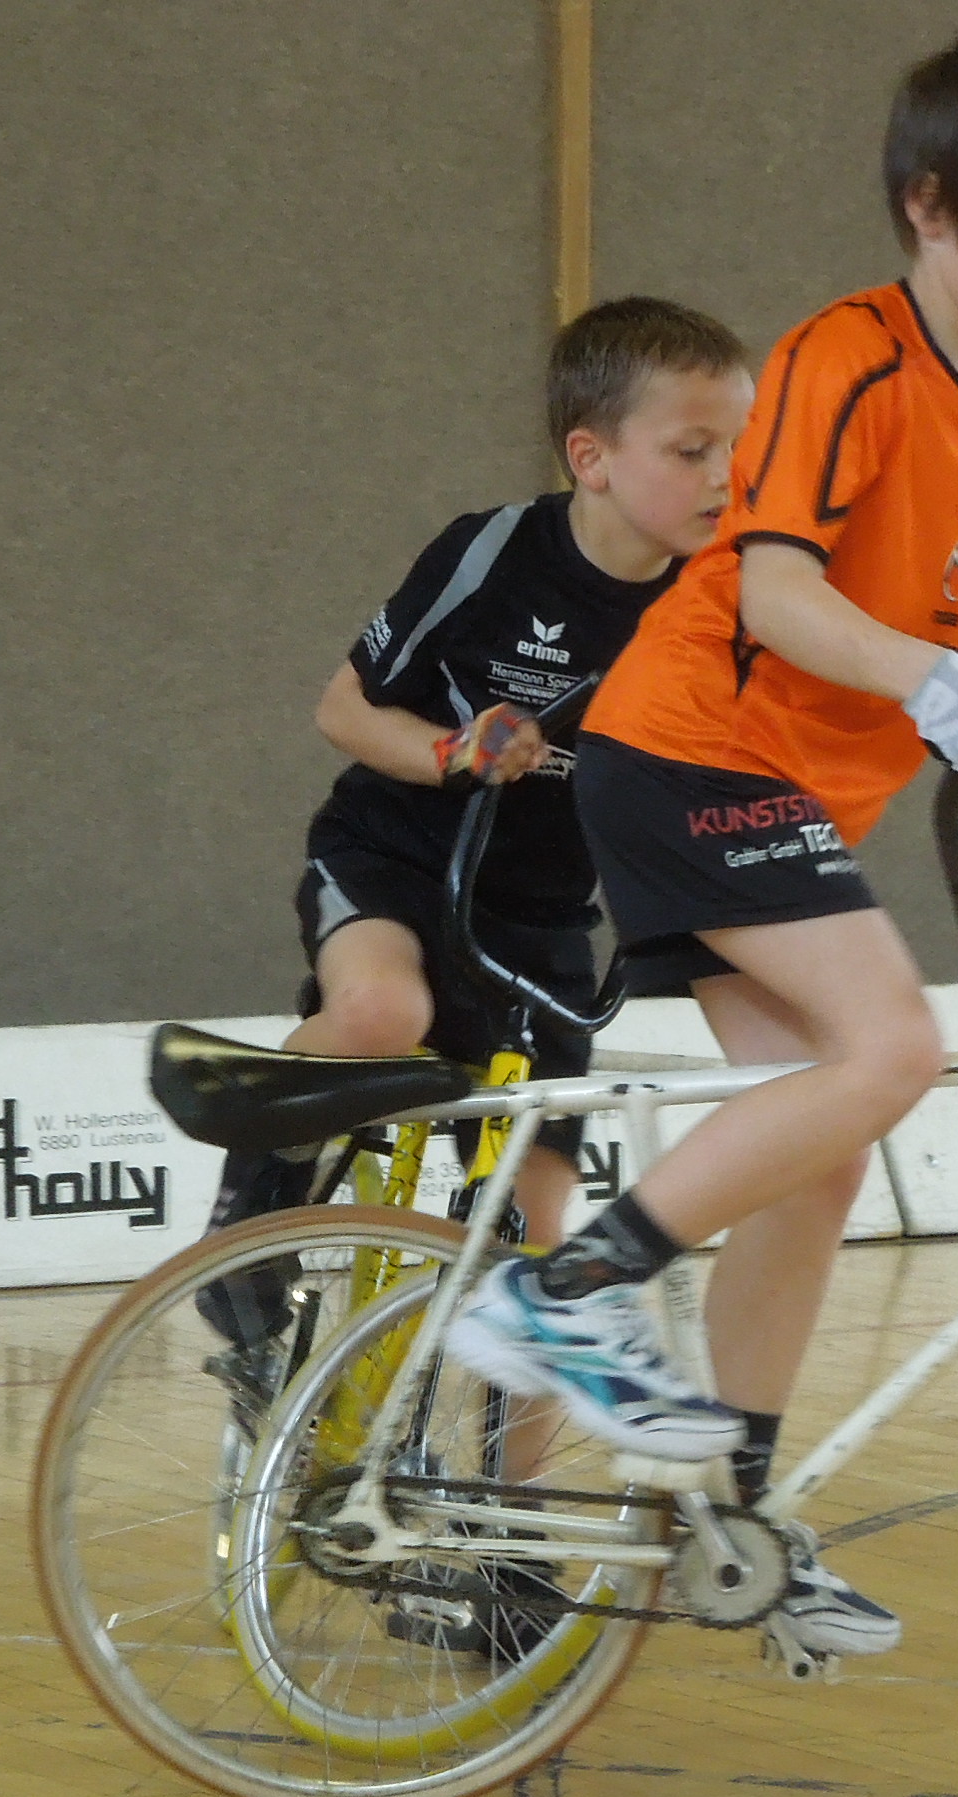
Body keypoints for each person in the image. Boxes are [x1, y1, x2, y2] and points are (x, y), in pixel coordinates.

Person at [444, 28, 958, 1664]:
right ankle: (560, 1298)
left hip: (792, 796)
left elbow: (932, 611)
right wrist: (930, 680)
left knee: (821, 1147)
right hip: (692, 752)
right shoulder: (843, 358)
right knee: (892, 1047)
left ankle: (739, 1526)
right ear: (930, 208)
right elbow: (775, 594)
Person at [199, 296, 757, 1260]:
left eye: (741, 449)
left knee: (536, 1251)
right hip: (396, 866)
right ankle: (248, 1226)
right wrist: (455, 753)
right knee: (383, 1013)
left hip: (542, 923)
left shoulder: (727, 603)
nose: (727, 477)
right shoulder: (490, 553)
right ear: (592, 459)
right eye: (693, 450)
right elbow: (343, 710)